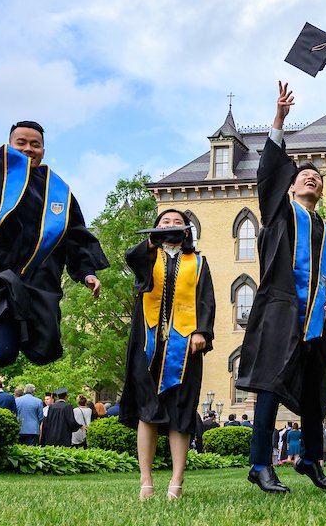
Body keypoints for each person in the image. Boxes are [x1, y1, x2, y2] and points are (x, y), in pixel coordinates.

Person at [0, 61, 109, 368]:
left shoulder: (58, 191)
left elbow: (75, 236)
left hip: (41, 280)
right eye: (22, 143)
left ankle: (9, 331)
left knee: (44, 354)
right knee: (1, 354)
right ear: (11, 145)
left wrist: (87, 273)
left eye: (36, 144)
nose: (29, 148)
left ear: (43, 150)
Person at [237, 82, 326, 495]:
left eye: (317, 177)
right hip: (281, 313)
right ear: (292, 187)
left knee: (316, 393)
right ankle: (260, 464)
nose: (312, 179)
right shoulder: (281, 215)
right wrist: (279, 119)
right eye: (304, 176)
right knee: (269, 387)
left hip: (317, 322)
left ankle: (310, 460)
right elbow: (268, 174)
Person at [120, 209, 215, 501]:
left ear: (187, 230)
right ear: (154, 230)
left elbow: (206, 299)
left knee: (181, 412)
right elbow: (131, 258)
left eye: (176, 222)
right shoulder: (147, 257)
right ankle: (146, 481)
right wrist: (152, 243)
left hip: (184, 347)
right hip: (148, 345)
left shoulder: (198, 262)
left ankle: (176, 482)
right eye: (164, 222)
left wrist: (202, 331)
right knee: (147, 411)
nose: (171, 225)